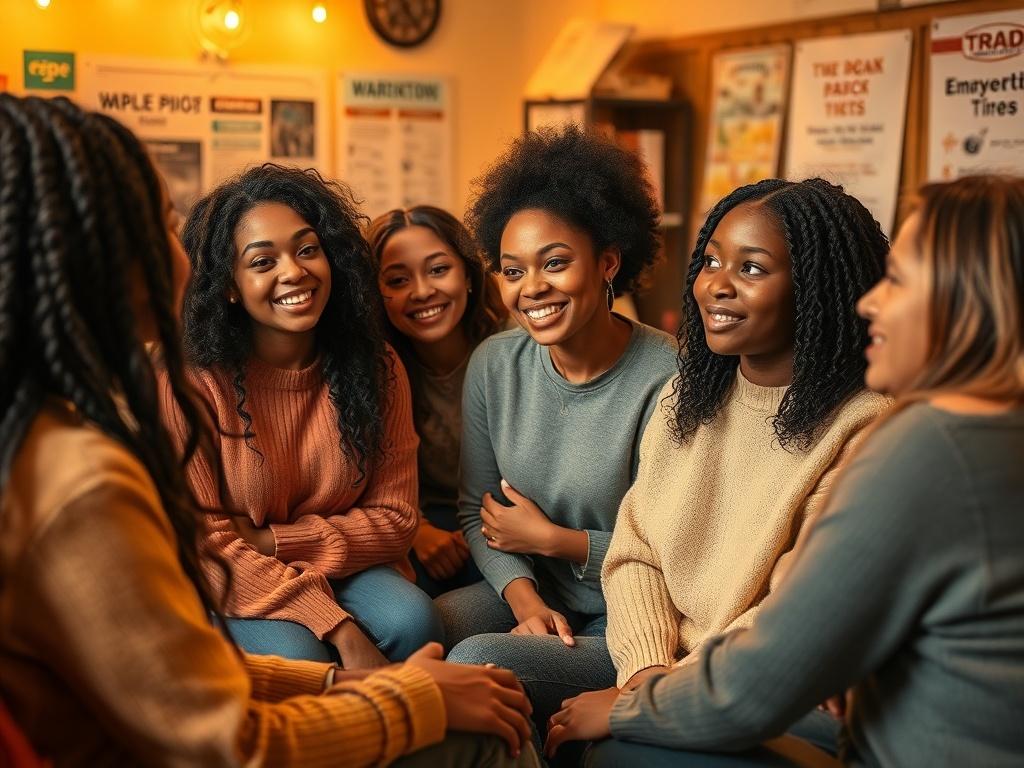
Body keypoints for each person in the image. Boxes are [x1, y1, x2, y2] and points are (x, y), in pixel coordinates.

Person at [0, 94, 540, 767]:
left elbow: (170, 674)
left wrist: (342, 677)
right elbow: (225, 732)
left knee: (411, 621)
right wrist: (403, 694)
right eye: (168, 225)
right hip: (246, 606)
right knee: (480, 729)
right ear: (106, 263)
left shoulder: (46, 437)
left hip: (319, 590)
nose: (186, 253)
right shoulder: (83, 479)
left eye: (308, 250)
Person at [547, 175, 1024, 767]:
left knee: (613, 754)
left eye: (899, 280)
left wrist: (628, 708)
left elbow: (773, 667)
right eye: (714, 260)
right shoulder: (979, 436)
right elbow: (638, 549)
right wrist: (645, 670)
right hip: (701, 671)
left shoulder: (922, 446)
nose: (871, 300)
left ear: (969, 301)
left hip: (763, 693)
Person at [435, 125, 678, 739]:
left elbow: (674, 554)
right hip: (538, 593)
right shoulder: (495, 364)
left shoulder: (669, 375)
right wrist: (525, 602)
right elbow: (478, 511)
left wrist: (554, 540)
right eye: (512, 270)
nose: (531, 289)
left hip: (633, 619)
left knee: (470, 667)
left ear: (608, 264)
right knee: (427, 625)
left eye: (555, 263)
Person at [160, 164, 442, 666]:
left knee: (412, 620)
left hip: (335, 564)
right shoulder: (191, 381)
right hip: (235, 575)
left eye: (308, 249)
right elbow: (207, 546)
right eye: (262, 261)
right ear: (229, 285)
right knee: (301, 652)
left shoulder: (377, 366)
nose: (294, 271)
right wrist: (335, 625)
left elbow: (397, 520)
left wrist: (275, 539)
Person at [367, 205, 506, 597]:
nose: (423, 291)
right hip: (418, 525)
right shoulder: (374, 370)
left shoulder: (514, 352)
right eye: (397, 279)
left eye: (438, 269)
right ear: (377, 296)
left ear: (468, 276)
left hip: (508, 527)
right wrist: (416, 531)